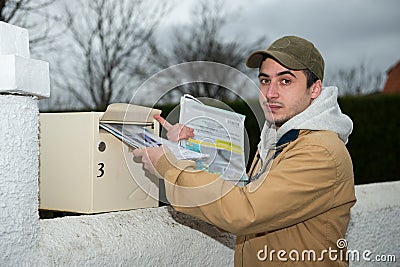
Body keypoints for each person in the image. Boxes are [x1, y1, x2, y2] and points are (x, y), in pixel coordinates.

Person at [133, 35, 356, 266]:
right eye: (265, 80)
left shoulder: (320, 151)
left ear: (315, 89)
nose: (270, 93)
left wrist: (169, 166)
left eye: (286, 81)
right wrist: (185, 150)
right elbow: (234, 195)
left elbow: (244, 211)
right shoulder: (277, 140)